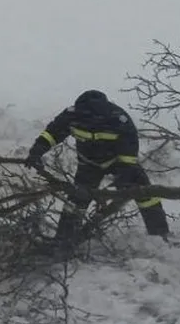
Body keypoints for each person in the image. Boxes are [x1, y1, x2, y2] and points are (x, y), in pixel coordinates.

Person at [22, 90, 169, 242]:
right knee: (76, 200)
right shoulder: (72, 115)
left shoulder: (119, 119)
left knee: (145, 193)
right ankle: (64, 240)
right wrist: (36, 152)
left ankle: (159, 234)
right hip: (88, 164)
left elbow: (129, 152)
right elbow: (52, 134)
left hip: (117, 162)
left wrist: (125, 176)